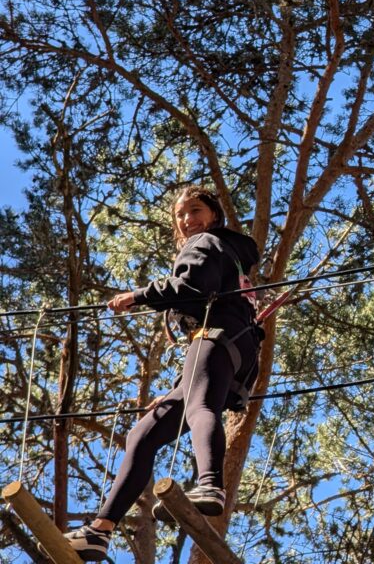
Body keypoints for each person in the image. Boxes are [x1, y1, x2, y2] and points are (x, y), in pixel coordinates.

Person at [64, 186, 261, 561]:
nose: (189, 220)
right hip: (231, 346)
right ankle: (100, 531)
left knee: (200, 405)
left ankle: (209, 485)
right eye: (182, 215)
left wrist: (137, 296)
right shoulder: (231, 256)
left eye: (196, 210)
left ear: (214, 215)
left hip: (216, 336)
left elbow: (190, 288)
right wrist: (179, 386)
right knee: (143, 433)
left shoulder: (205, 241)